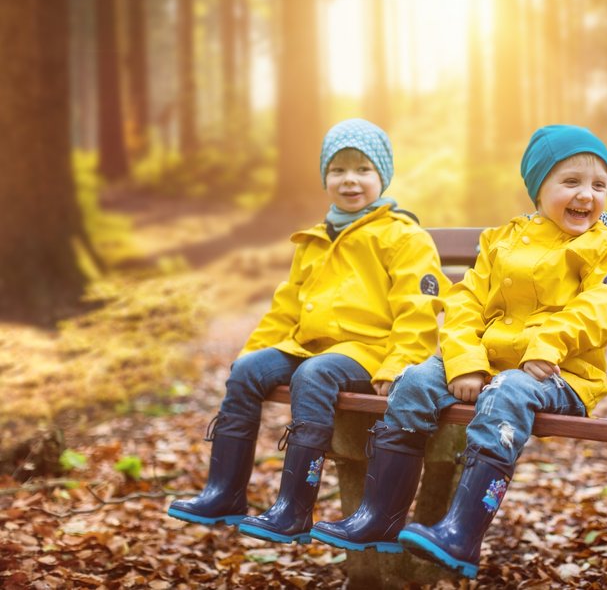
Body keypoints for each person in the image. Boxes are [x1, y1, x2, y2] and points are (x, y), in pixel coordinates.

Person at [311, 124, 607, 578]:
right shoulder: (501, 239)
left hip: (559, 374)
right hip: (488, 364)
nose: (587, 195)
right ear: (538, 189)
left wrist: (547, 344)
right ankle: (380, 518)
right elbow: (465, 303)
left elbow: (601, 307)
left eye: (598, 185)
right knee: (414, 381)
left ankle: (461, 532)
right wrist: (465, 362)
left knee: (507, 392)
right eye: (571, 182)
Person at [167, 118, 447, 545]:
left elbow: (418, 309)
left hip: (367, 349)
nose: (349, 180)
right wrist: (255, 352)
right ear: (324, 178)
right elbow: (286, 308)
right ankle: (224, 492)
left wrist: (398, 365)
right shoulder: (314, 239)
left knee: (313, 375)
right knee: (246, 372)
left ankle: (293, 508)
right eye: (338, 170)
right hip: (308, 346)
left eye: (362, 169)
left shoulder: (404, 236)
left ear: (382, 177)